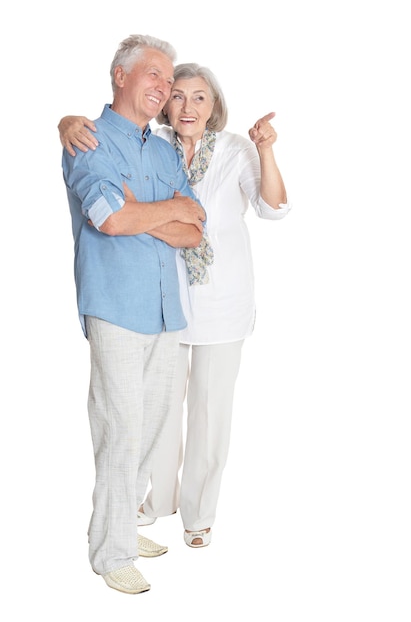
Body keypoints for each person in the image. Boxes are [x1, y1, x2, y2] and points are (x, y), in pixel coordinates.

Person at [59, 62, 291, 550]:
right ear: (165, 103)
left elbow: (271, 209)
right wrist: (66, 122)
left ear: (214, 105)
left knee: (209, 414)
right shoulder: (154, 147)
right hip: (163, 298)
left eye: (199, 97)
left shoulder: (234, 150)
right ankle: (154, 501)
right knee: (156, 412)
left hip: (222, 302)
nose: (187, 106)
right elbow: (115, 210)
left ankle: (198, 514)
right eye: (178, 96)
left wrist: (267, 152)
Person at [61, 37, 206, 594]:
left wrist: (145, 212)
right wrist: (167, 211)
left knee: (151, 425)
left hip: (166, 306)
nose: (163, 88)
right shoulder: (88, 140)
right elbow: (108, 219)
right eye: (153, 75)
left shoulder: (166, 149)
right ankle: (110, 551)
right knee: (119, 429)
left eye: (168, 81)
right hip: (116, 305)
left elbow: (195, 231)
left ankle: (123, 523)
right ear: (120, 75)